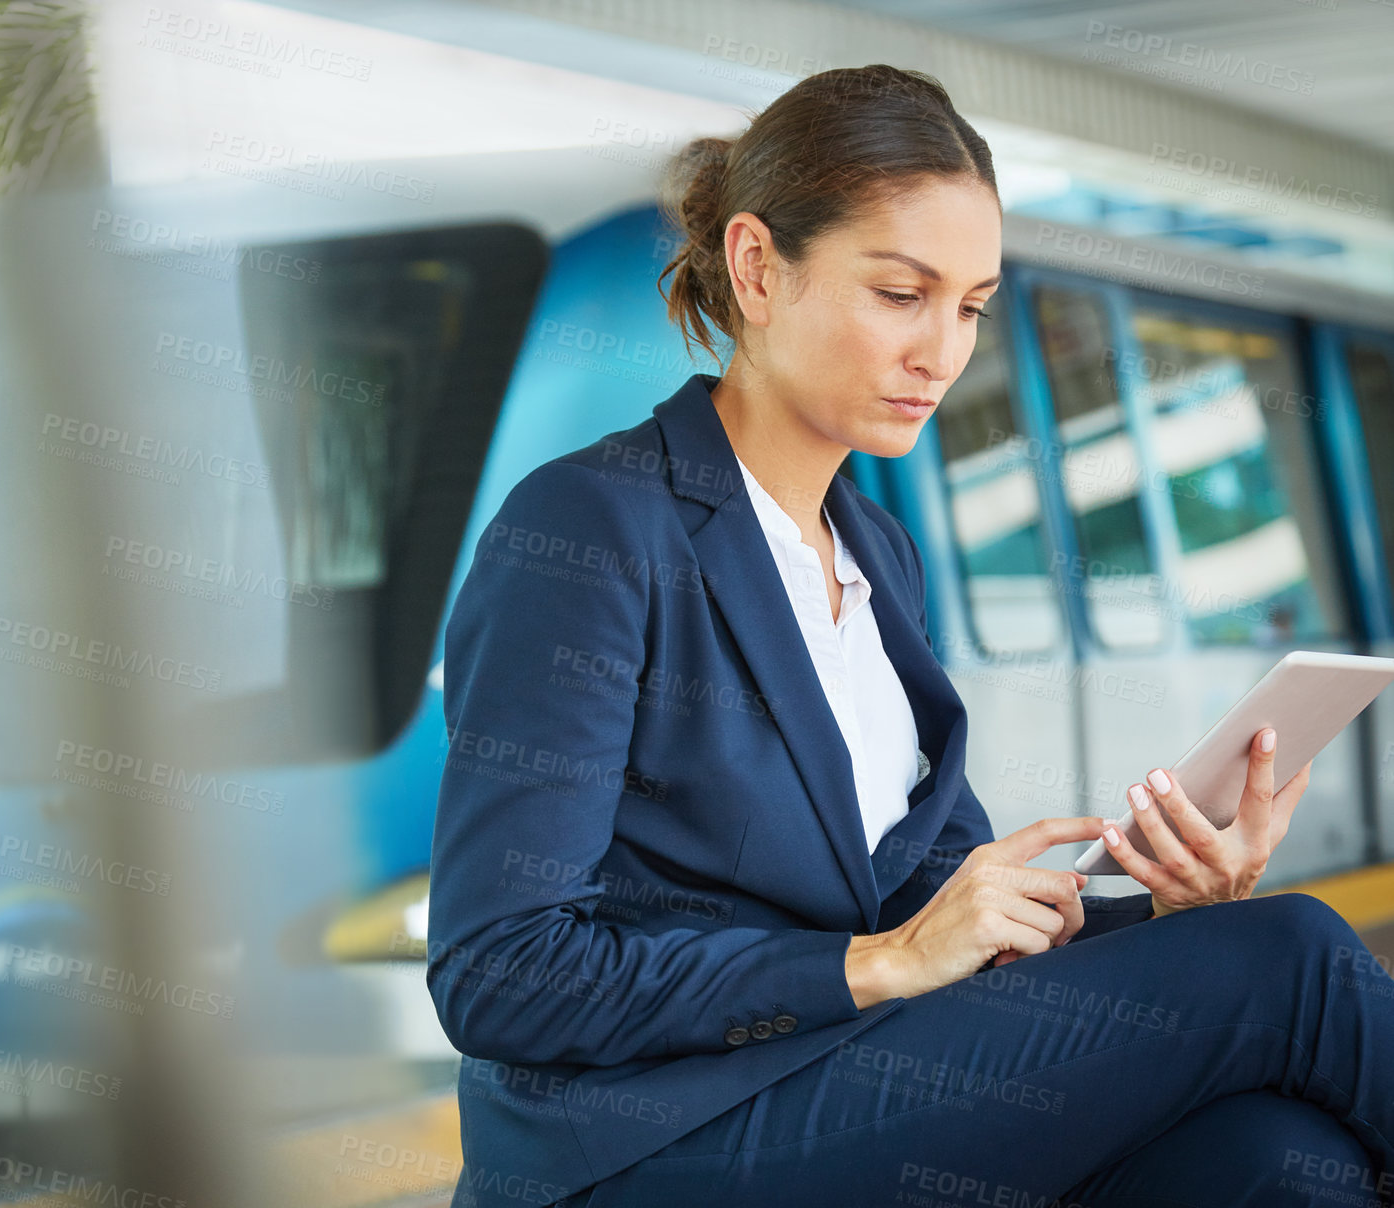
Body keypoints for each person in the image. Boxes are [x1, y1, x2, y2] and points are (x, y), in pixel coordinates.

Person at [426, 64, 1394, 1208]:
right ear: (755, 267)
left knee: (1279, 1158)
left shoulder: (876, 553)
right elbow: (501, 970)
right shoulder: (592, 525)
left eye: (972, 305)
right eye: (900, 293)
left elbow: (944, 916)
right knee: (1290, 958)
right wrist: (872, 962)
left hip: (843, 1082)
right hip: (654, 1135)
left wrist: (1171, 912)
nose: (943, 351)